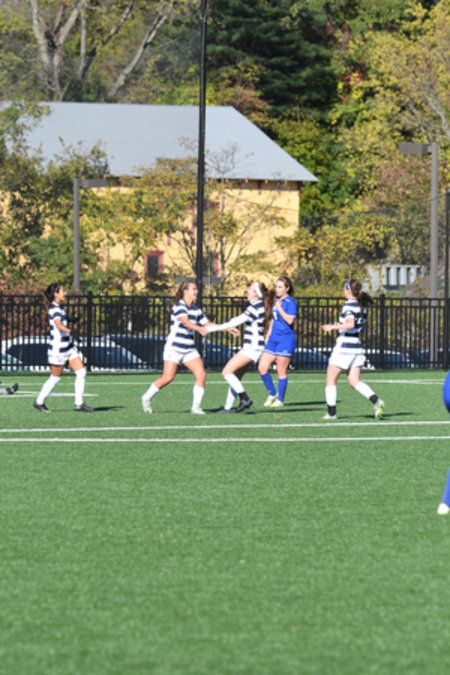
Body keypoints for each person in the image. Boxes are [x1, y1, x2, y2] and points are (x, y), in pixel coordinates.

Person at [141, 281, 225, 415]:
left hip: (189, 349)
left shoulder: (196, 309)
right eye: (194, 289)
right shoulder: (180, 306)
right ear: (185, 291)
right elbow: (185, 322)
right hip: (174, 348)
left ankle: (195, 407)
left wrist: (226, 328)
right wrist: (199, 329)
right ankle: (146, 397)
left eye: (196, 289)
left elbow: (207, 323)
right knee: (168, 377)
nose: (197, 291)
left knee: (201, 374)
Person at [205, 281, 274, 413]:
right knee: (235, 377)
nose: (247, 291)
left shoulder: (255, 307)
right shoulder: (259, 306)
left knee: (226, 372)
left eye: (250, 289)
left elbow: (236, 321)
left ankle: (244, 398)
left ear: (255, 294)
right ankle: (227, 407)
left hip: (252, 347)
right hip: (255, 347)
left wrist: (211, 329)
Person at [321, 278, 384, 420]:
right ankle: (376, 400)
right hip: (357, 346)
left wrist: (332, 327)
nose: (343, 291)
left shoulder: (348, 305)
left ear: (349, 291)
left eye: (344, 288)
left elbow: (350, 324)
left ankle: (331, 413)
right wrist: (340, 325)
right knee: (354, 381)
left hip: (344, 347)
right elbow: (352, 325)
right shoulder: (362, 306)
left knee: (331, 379)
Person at [33, 283, 93, 413]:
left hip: (68, 347)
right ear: (55, 294)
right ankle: (39, 401)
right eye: (62, 291)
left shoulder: (58, 308)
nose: (64, 293)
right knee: (55, 377)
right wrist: (71, 331)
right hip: (58, 349)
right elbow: (58, 324)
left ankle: (79, 404)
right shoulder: (55, 309)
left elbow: (59, 320)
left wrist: (69, 319)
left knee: (81, 372)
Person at [258, 275, 297, 408]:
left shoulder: (290, 302)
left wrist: (280, 309)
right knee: (262, 367)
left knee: (281, 370)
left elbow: (290, 320)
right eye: (276, 286)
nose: (277, 289)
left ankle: (280, 399)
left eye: (280, 287)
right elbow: (273, 320)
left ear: (287, 288)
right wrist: (268, 335)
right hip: (273, 339)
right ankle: (272, 393)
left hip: (285, 340)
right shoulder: (276, 301)